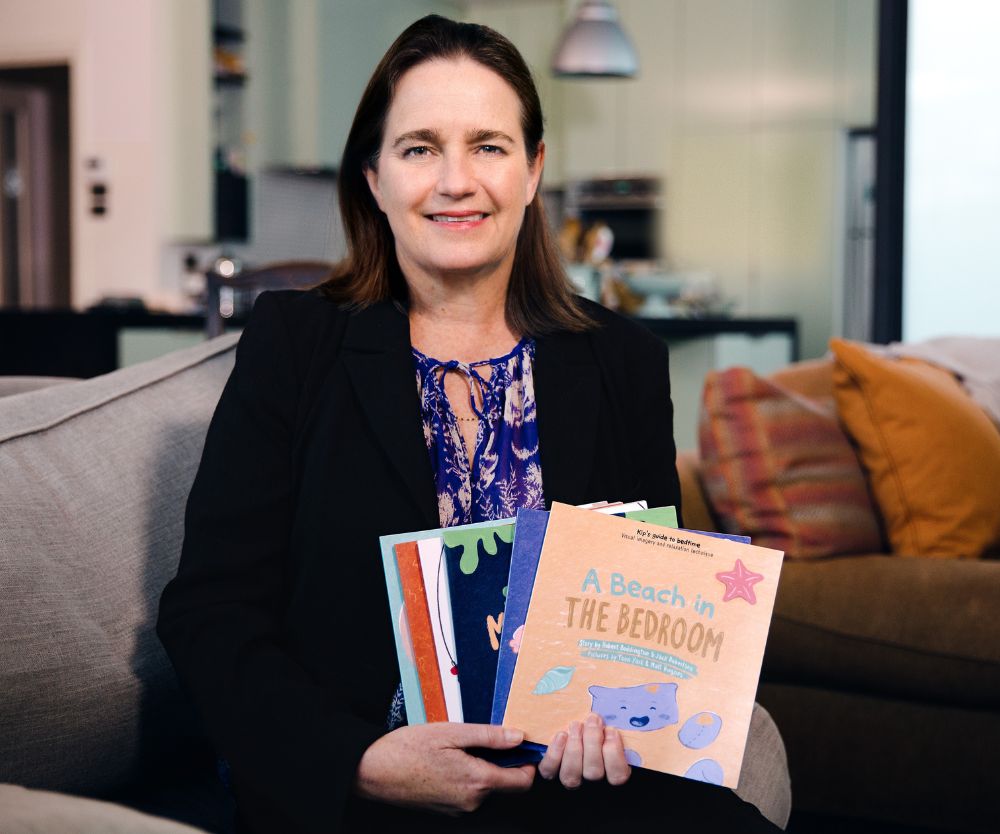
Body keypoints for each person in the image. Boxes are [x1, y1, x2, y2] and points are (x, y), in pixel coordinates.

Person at [157, 14, 785, 834]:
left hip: (575, 791)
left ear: (533, 172)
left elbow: (649, 607)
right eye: (420, 148)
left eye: (488, 146)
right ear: (375, 178)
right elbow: (209, 614)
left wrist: (624, 724)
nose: (457, 180)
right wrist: (358, 761)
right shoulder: (292, 346)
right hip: (362, 792)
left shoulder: (621, 359)